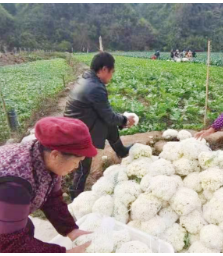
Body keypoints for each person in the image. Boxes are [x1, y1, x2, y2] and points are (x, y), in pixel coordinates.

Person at [0, 117, 97, 253]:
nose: (76, 167)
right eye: (77, 161)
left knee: (26, 229)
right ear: (55, 155)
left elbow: (52, 199)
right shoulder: (14, 185)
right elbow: (11, 244)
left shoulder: (43, 157)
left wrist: (70, 229)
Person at [64, 52, 136, 200]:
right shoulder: (96, 88)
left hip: (77, 123)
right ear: (104, 69)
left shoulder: (87, 78)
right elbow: (109, 116)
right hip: (77, 132)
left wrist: (121, 120)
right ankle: (75, 195)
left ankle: (121, 151)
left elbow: (105, 113)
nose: (112, 75)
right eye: (112, 72)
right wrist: (125, 120)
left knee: (108, 125)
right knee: (84, 165)